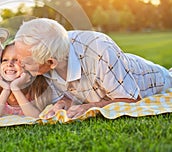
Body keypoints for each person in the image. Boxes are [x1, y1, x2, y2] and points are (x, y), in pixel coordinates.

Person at [14, 18, 172, 119]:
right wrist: (64, 102)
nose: (19, 64)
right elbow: (73, 90)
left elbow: (131, 99)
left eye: (25, 62)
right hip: (116, 69)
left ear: (51, 62)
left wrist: (89, 107)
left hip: (152, 77)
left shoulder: (100, 50)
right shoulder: (48, 53)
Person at [0, 43, 52, 124]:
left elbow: (37, 119)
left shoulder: (36, 85)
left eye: (16, 60)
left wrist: (15, 89)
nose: (9, 64)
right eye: (5, 60)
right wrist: (6, 90)